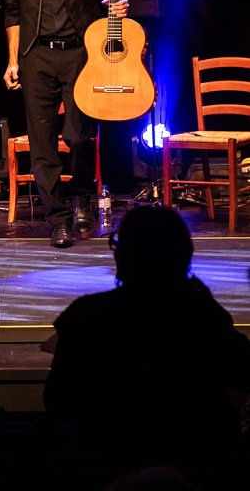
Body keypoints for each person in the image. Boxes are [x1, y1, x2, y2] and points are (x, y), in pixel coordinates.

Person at [45, 206, 250, 483]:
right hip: (197, 462)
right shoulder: (201, 315)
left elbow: (57, 400)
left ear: (122, 255)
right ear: (184, 255)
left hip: (108, 461)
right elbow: (242, 374)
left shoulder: (87, 315)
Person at [2, 0, 126, 248]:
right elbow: (12, 10)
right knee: (42, 143)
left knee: (78, 134)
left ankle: (82, 196)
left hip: (79, 53)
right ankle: (57, 218)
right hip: (36, 54)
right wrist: (12, 60)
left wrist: (117, 5)